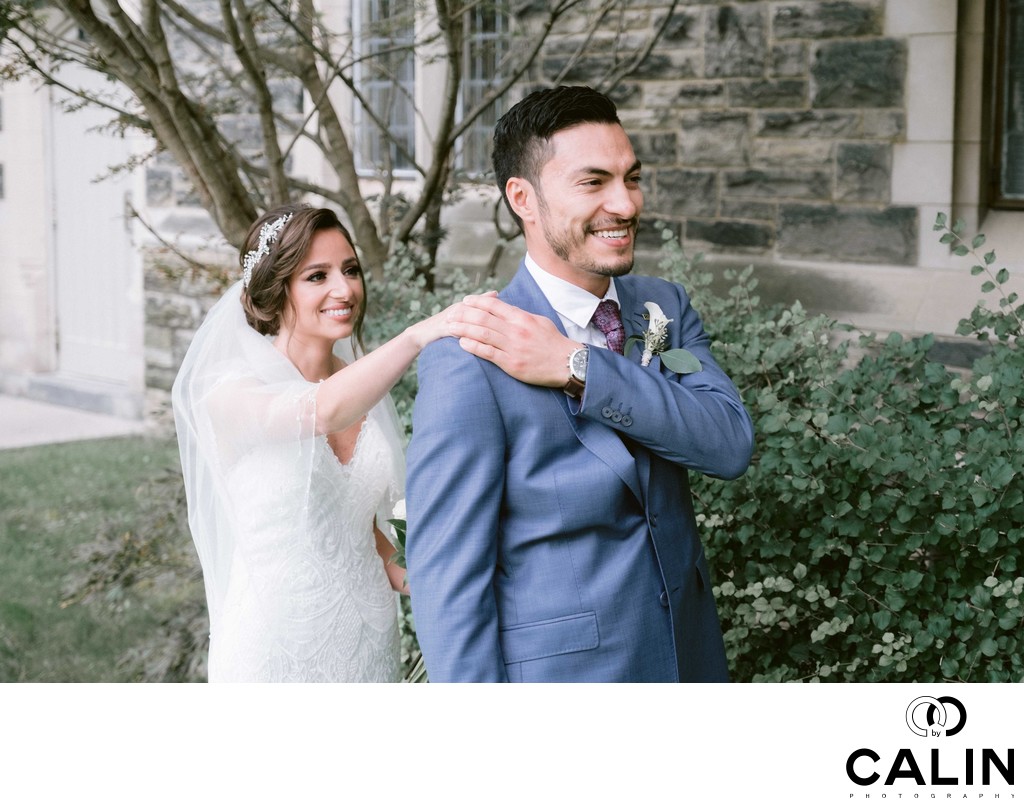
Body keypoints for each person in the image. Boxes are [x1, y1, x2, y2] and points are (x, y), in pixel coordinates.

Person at [404, 85, 755, 682]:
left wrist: (578, 366)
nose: (624, 204)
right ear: (525, 199)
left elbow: (727, 444)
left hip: (690, 663)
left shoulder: (662, 309)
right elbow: (447, 578)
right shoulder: (469, 355)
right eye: (593, 183)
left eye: (631, 178)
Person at [172, 203, 473, 682]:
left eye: (350, 270)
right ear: (276, 288)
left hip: (369, 645)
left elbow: (372, 536)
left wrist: (458, 579)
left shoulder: (361, 387)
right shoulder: (230, 393)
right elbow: (321, 410)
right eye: (317, 276)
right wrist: (418, 336)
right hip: (275, 650)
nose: (345, 289)